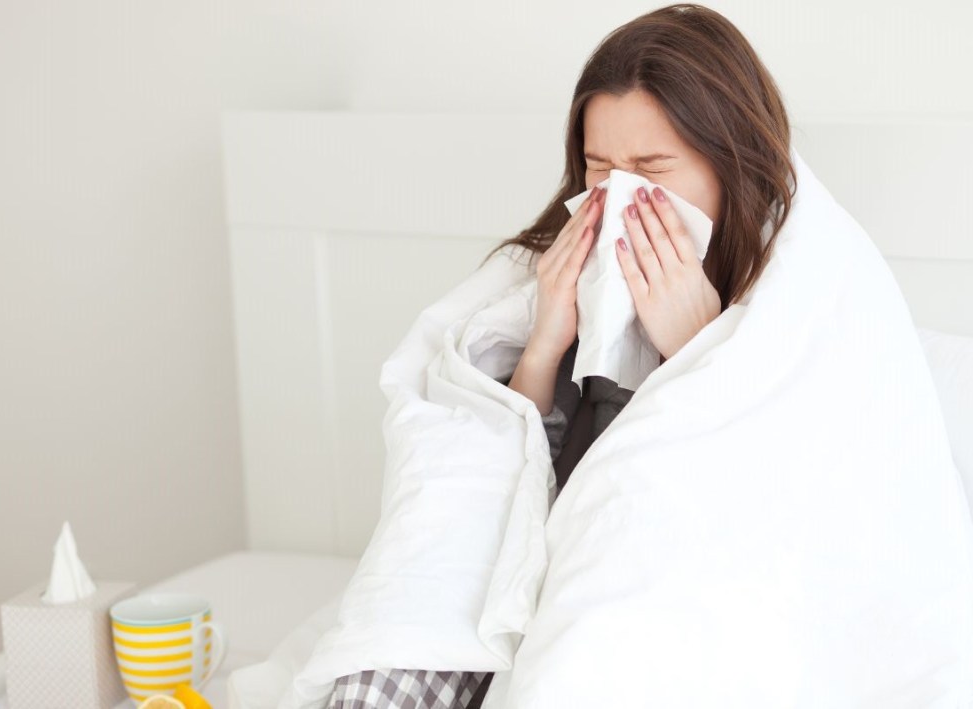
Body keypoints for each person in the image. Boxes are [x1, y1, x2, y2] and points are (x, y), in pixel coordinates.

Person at [327, 3, 796, 706]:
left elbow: (773, 527)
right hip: (519, 590)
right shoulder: (545, 277)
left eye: (652, 168)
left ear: (730, 165)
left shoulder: (790, 305)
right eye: (599, 167)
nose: (617, 198)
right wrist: (547, 338)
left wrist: (698, 354)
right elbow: (486, 491)